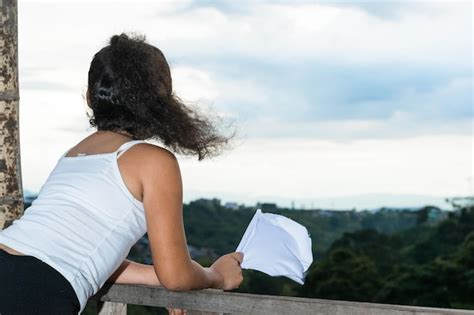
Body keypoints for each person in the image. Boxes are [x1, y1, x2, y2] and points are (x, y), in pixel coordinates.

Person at [0, 32, 243, 315]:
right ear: (160, 104)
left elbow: (88, 256)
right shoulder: (154, 161)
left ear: (90, 96)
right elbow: (176, 276)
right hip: (36, 292)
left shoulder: (76, 154)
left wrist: (162, 275)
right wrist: (217, 276)